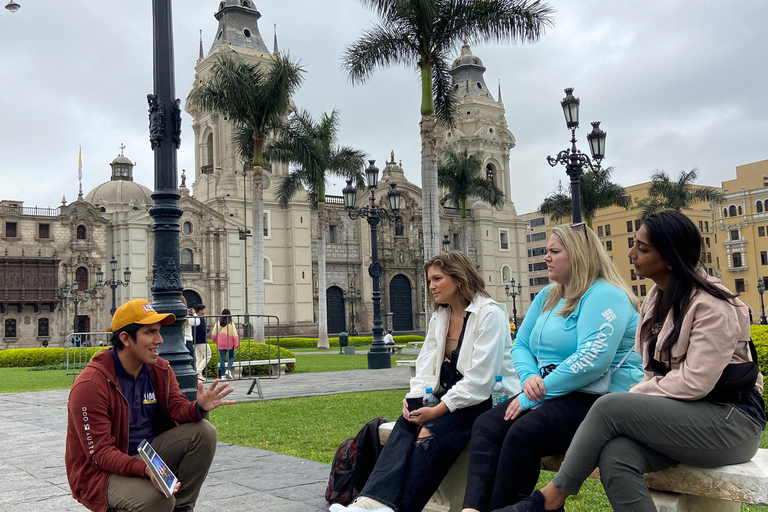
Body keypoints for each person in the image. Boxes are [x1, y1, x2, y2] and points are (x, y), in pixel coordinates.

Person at [509, 211, 766, 512]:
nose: (631, 254)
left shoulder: (713, 305)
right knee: (617, 455)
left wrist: (633, 398)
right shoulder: (655, 299)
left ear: (670, 257)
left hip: (731, 424)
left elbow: (695, 382)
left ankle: (550, 498)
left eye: (642, 248)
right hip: (684, 419)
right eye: (633, 245)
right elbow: (650, 370)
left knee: (609, 405)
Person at [461, 223, 642, 512]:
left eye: (554, 251)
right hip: (551, 391)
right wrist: (529, 376)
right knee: (486, 425)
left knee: (522, 434)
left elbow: (591, 362)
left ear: (579, 255)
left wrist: (532, 395)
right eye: (546, 251)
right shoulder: (548, 295)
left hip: (599, 399)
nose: (546, 257)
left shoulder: (605, 295)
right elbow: (520, 345)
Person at [331, 251, 520, 512]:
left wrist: (437, 410)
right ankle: (370, 502)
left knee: (432, 431)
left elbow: (480, 381)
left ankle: (400, 508)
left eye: (437, 279)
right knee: (408, 420)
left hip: (490, 398)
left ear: (459, 279)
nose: (430, 286)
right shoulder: (440, 317)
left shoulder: (490, 314)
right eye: (429, 280)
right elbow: (426, 364)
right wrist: (414, 398)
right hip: (455, 392)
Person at [65, 298, 235, 512]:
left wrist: (198, 407)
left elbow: (178, 409)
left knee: (204, 432)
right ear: (126, 338)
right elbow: (100, 453)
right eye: (150, 332)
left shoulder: (159, 369)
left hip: (147, 455)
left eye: (159, 331)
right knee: (157, 500)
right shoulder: (91, 384)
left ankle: (182, 509)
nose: (160, 340)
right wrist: (145, 470)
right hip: (100, 472)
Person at [212, 308, 239, 380]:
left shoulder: (218, 323)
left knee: (222, 359)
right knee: (231, 357)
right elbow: (234, 334)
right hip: (229, 342)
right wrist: (236, 344)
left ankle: (223, 375)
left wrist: (214, 340)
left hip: (221, 342)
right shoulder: (231, 324)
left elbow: (214, 333)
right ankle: (229, 370)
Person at [193, 303, 210, 381]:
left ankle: (197, 373)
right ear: (200, 311)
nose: (205, 311)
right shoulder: (201, 318)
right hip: (202, 340)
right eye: (204, 310)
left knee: (199, 357)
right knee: (208, 355)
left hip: (195, 340)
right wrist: (208, 329)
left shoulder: (194, 318)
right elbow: (203, 330)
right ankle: (199, 371)